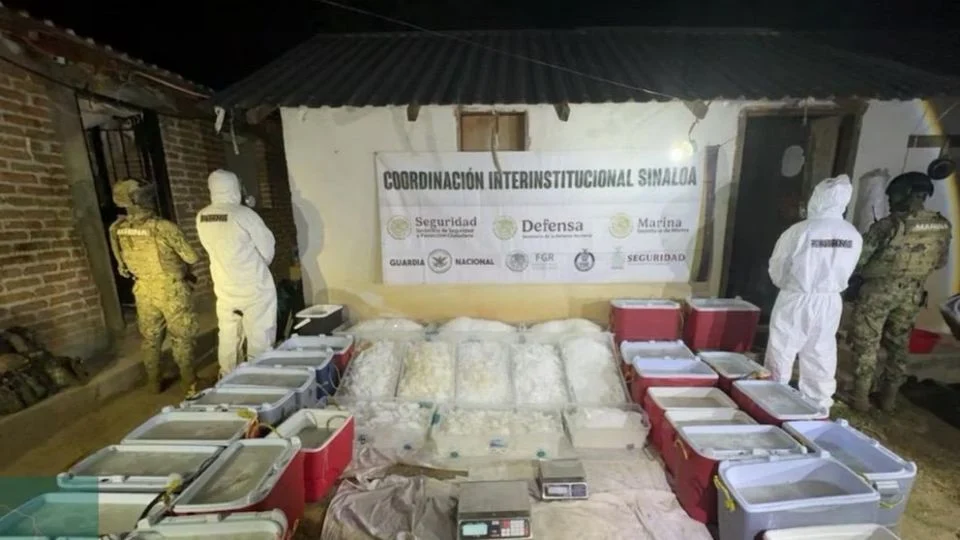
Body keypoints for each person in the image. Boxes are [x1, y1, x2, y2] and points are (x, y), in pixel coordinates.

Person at [849, 172, 951, 413]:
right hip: (912, 294)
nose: (890, 201)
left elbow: (859, 260)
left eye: (893, 196)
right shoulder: (942, 225)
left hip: (878, 293)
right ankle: (888, 399)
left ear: (906, 194)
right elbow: (940, 262)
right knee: (899, 345)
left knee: (867, 343)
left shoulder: (888, 226)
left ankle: (860, 399)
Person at [765, 175, 863, 411]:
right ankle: (818, 407)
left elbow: (778, 266)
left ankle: (772, 402)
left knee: (782, 349)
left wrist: (787, 284)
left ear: (817, 198)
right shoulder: (852, 234)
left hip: (796, 297)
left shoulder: (800, 231)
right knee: (821, 352)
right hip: (830, 300)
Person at [108, 179, 200, 393]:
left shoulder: (117, 228)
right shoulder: (163, 227)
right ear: (140, 199)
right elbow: (191, 257)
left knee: (151, 338)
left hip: (143, 290)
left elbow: (122, 265)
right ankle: (190, 382)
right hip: (170, 289)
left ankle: (154, 383)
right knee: (182, 336)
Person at [196, 169, 277, 377]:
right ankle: (259, 376)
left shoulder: (202, 216)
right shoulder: (244, 214)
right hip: (254, 287)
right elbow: (267, 248)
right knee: (260, 334)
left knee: (229, 334)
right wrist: (257, 266)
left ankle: (228, 377)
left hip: (225, 287)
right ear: (234, 187)